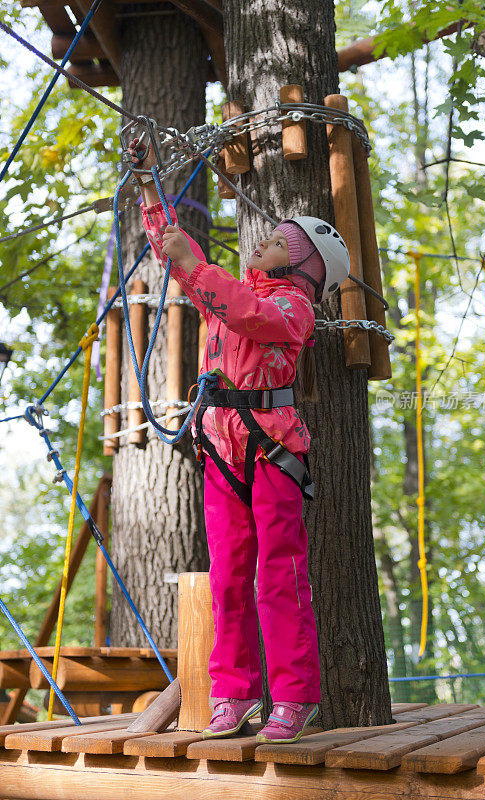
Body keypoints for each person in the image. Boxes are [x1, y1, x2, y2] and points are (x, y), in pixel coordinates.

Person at [128, 138, 350, 743]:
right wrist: (150, 188)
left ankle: (296, 697)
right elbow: (176, 255)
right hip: (222, 448)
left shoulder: (294, 308)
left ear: (302, 264)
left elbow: (249, 312)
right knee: (228, 575)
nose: (262, 243)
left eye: (278, 242)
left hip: (274, 449)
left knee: (278, 574)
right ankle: (234, 691)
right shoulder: (221, 292)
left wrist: (196, 265)